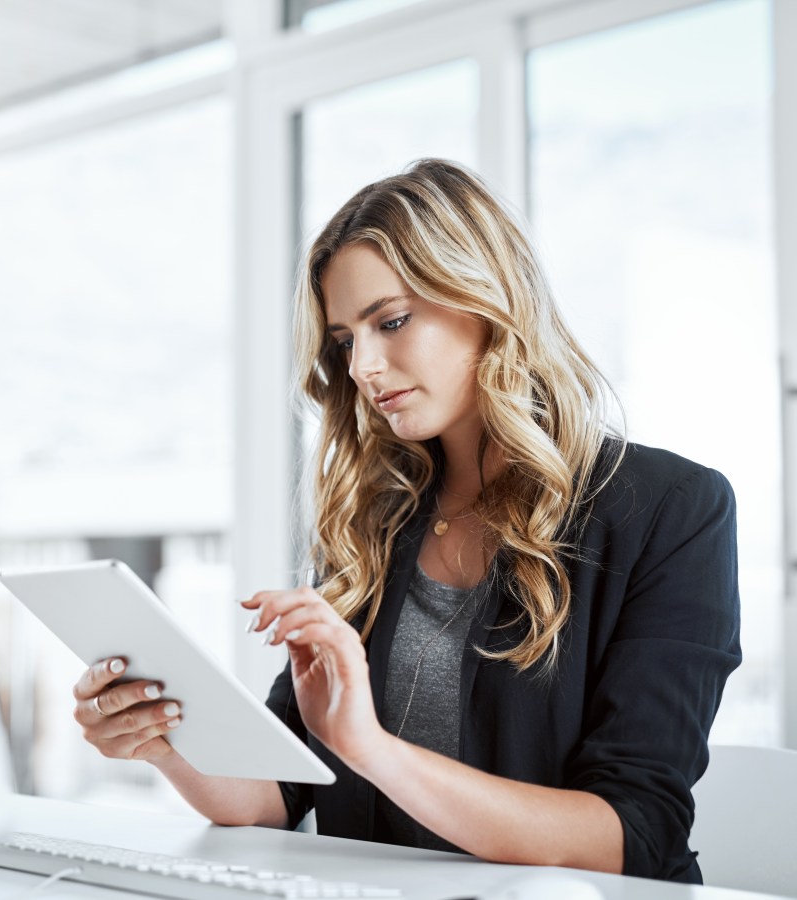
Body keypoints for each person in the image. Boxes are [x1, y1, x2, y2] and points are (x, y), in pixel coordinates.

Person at [70, 159, 740, 883]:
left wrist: (373, 749)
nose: (362, 368)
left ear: (485, 299)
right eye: (345, 341)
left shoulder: (672, 508)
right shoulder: (376, 522)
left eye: (390, 322)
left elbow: (633, 835)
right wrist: (164, 741)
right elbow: (279, 792)